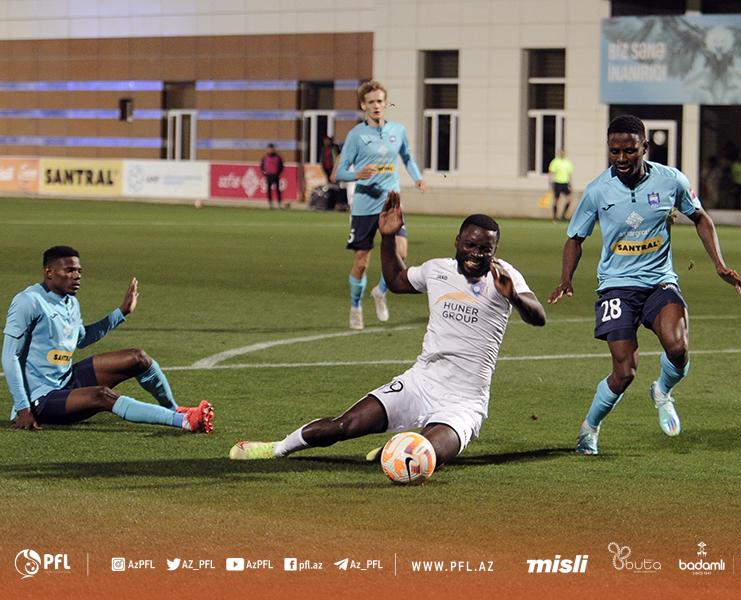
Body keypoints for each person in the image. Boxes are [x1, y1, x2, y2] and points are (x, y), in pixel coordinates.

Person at [229, 192, 546, 468]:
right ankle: (277, 448)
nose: (476, 254)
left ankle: (394, 451)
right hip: (419, 383)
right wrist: (389, 238)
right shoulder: (437, 270)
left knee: (423, 453)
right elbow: (395, 280)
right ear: (457, 242)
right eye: (470, 245)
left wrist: (514, 297)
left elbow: (538, 316)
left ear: (494, 251)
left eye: (485, 249)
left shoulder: (505, 277)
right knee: (343, 425)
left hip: (464, 403)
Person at [547, 115, 741, 455]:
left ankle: (662, 391)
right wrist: (566, 279)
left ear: (644, 147)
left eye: (629, 150)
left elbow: (700, 216)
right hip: (616, 286)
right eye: (614, 151)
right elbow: (575, 238)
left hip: (659, 282)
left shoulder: (671, 181)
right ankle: (590, 427)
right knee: (624, 372)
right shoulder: (598, 190)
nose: (621, 158)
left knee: (678, 348)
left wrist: (720, 264)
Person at [2, 246, 214, 433]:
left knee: (138, 357)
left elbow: (81, 339)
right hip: (39, 399)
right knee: (103, 395)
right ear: (49, 272)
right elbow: (10, 356)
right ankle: (184, 421)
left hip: (66, 381)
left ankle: (174, 409)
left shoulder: (70, 303)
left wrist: (121, 313)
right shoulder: (28, 302)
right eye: (69, 270)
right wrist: (23, 409)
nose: (77, 276)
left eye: (79, 271)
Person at [334, 80, 427, 330]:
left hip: (390, 203)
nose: (376, 105)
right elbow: (338, 173)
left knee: (401, 253)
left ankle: (380, 291)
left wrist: (417, 178)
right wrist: (357, 174)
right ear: (363, 105)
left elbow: (407, 157)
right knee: (361, 262)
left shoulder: (398, 130)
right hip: (364, 206)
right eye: (371, 102)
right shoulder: (356, 135)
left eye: (380, 101)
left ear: (386, 103)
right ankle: (355, 306)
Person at [548, 148, 574, 222]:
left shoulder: (568, 163)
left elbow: (569, 175)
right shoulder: (555, 162)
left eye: (563, 153)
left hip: (565, 183)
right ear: (559, 153)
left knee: (570, 200)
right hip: (557, 182)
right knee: (557, 200)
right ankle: (555, 217)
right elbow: (551, 173)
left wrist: (570, 185)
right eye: (561, 152)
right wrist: (551, 183)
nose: (562, 154)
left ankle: (563, 216)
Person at [261, 143, 285, 209]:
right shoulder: (265, 157)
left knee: (277, 190)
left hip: (276, 175)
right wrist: (265, 173)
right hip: (268, 175)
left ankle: (279, 204)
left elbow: (281, 166)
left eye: (271, 149)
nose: (270, 150)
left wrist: (278, 173)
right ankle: (270, 204)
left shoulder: (278, 157)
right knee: (269, 190)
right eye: (269, 149)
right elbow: (262, 166)